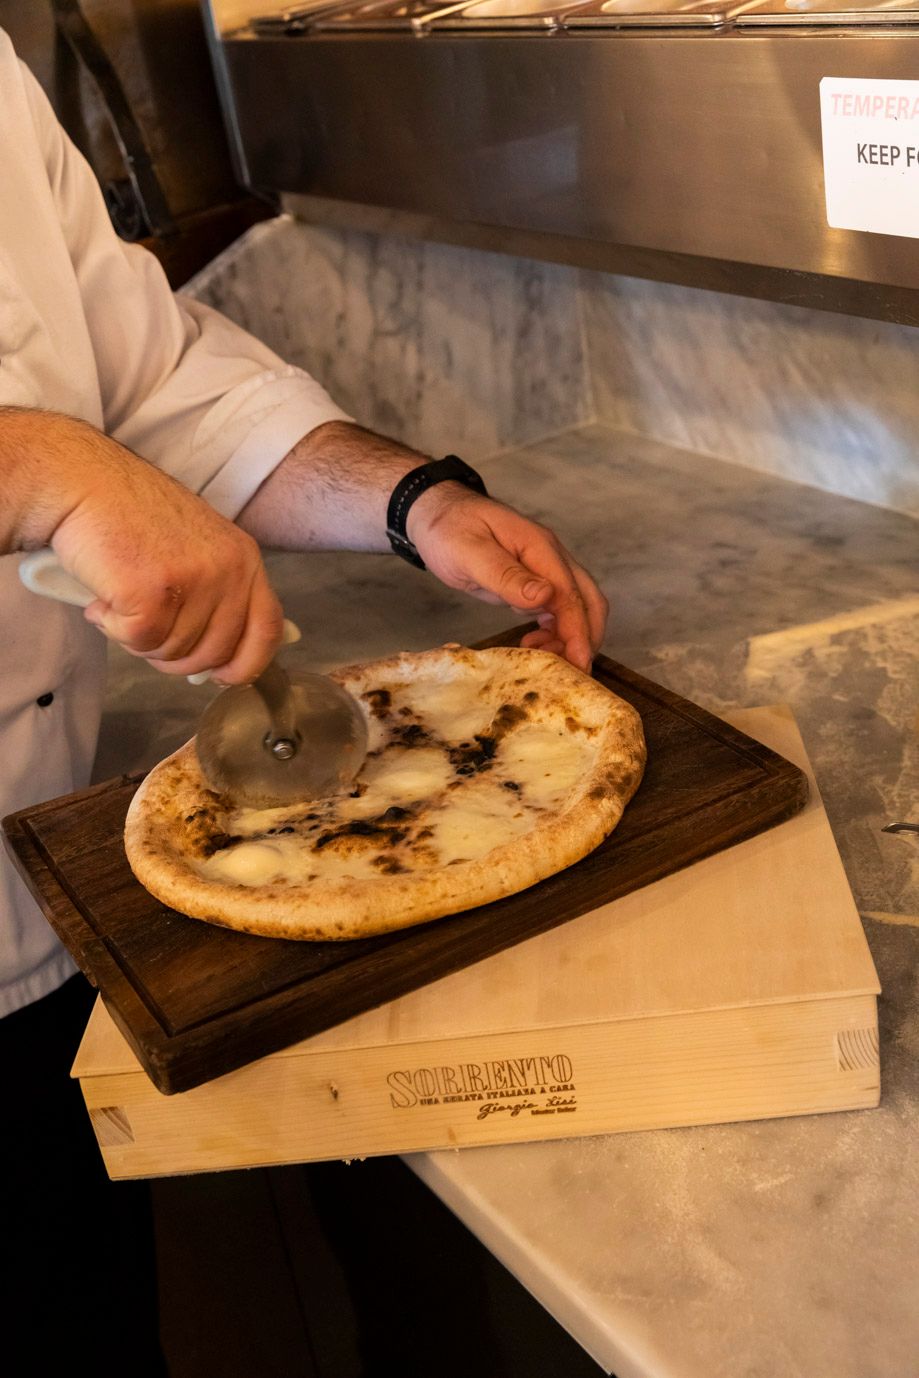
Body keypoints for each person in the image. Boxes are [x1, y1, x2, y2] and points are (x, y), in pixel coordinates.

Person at [0, 26, 608, 1373]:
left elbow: (154, 383)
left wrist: (412, 500)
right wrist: (43, 469)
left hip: (44, 902)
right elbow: (65, 452)